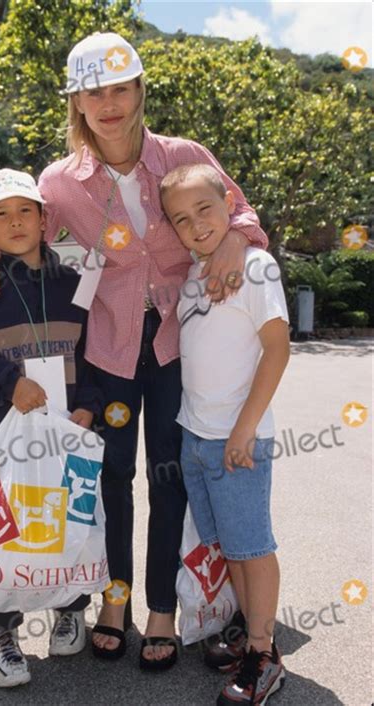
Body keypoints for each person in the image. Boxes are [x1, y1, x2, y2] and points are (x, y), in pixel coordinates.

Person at [0, 32, 269, 670]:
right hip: (109, 352)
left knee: (172, 478)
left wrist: (238, 238)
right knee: (110, 479)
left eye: (120, 87)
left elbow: (239, 215)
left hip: (180, 346)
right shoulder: (59, 182)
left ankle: (163, 610)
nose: (109, 104)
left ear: (139, 90)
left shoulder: (182, 154)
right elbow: (22, 238)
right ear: (76, 101)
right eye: (93, 91)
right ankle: (113, 602)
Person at [0, 169, 102, 688]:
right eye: (1, 214)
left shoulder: (74, 286)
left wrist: (91, 406)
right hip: (2, 443)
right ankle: (0, 631)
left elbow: (96, 355)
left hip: (65, 435)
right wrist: (9, 383)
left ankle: (71, 608)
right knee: (2, 535)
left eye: (25, 211)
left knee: (69, 522)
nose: (15, 221)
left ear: (45, 219)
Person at [160, 163, 290, 703]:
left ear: (229, 205)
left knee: (251, 547)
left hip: (238, 440)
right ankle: (248, 635)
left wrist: (244, 429)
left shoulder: (254, 267)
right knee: (230, 548)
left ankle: (264, 652)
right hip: (197, 437)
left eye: (205, 210)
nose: (196, 225)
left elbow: (277, 349)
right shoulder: (193, 277)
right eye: (181, 219)